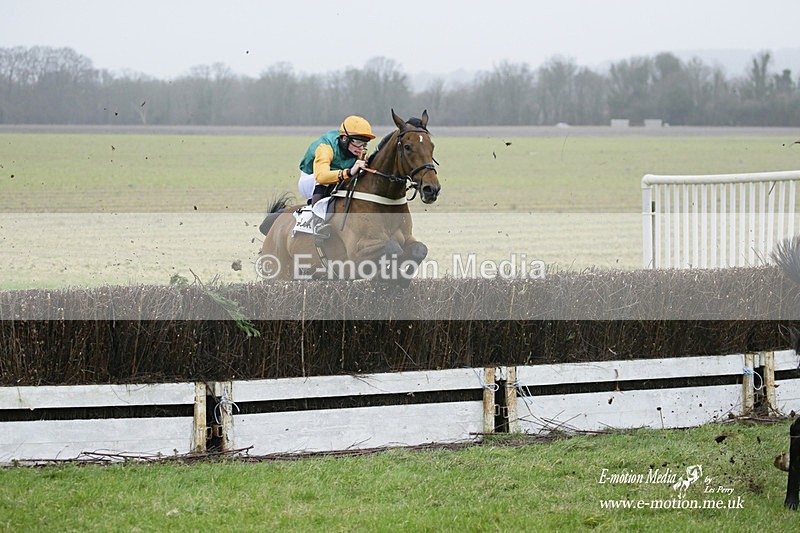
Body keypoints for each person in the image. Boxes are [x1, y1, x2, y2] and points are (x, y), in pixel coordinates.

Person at [298, 115, 375, 206]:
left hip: (333, 178)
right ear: (345, 139)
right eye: (358, 142)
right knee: (332, 178)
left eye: (364, 143)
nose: (361, 148)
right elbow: (321, 177)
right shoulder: (325, 147)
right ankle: (316, 214)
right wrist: (349, 172)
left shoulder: (358, 149)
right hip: (311, 180)